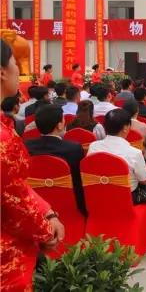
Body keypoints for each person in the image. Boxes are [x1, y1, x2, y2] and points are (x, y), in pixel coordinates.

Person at [1, 38, 64, 290]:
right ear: (2, 72)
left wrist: (46, 211)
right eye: (16, 63)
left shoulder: (9, 127)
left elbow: (14, 186)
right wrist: (46, 231)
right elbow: (13, 200)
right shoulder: (3, 138)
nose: (19, 70)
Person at [87, 109, 146, 240]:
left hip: (99, 194)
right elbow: (145, 180)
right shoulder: (133, 153)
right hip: (127, 197)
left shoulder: (93, 147)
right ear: (126, 128)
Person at [25, 104, 86, 214]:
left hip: (35, 204)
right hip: (69, 205)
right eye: (63, 119)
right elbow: (79, 181)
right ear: (59, 125)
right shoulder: (73, 148)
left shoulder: (26, 146)